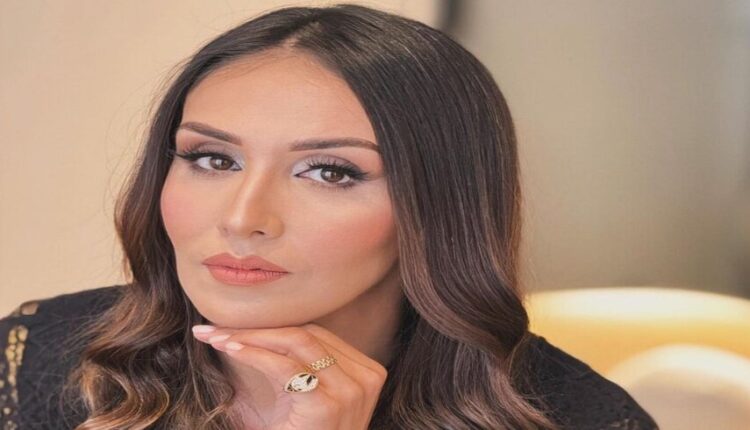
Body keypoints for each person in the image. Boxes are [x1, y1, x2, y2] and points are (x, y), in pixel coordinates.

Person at [0, 3, 658, 429]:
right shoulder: (34, 358)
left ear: (438, 208)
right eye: (212, 159)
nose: (244, 218)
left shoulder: (581, 417)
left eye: (331, 172)